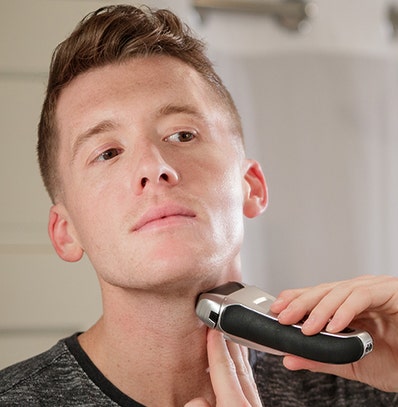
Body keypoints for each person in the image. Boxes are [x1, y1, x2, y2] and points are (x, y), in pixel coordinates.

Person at [0, 4, 397, 406]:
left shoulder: (369, 384)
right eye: (107, 153)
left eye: (182, 135)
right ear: (65, 232)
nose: (155, 167)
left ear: (251, 186)